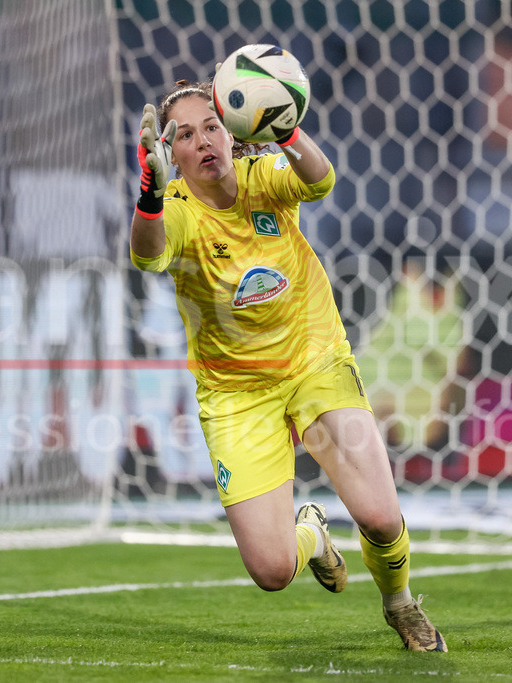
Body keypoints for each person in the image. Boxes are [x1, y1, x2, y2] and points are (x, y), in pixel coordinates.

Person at [129, 77, 447, 652]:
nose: (203, 141)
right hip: (235, 394)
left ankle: (400, 603)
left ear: (233, 132)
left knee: (379, 516)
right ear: (168, 152)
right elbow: (149, 257)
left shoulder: (265, 176)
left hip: (314, 364)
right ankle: (312, 531)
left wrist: (288, 130)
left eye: (212, 126)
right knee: (273, 571)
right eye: (184, 135)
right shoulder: (175, 209)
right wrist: (150, 193)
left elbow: (320, 179)